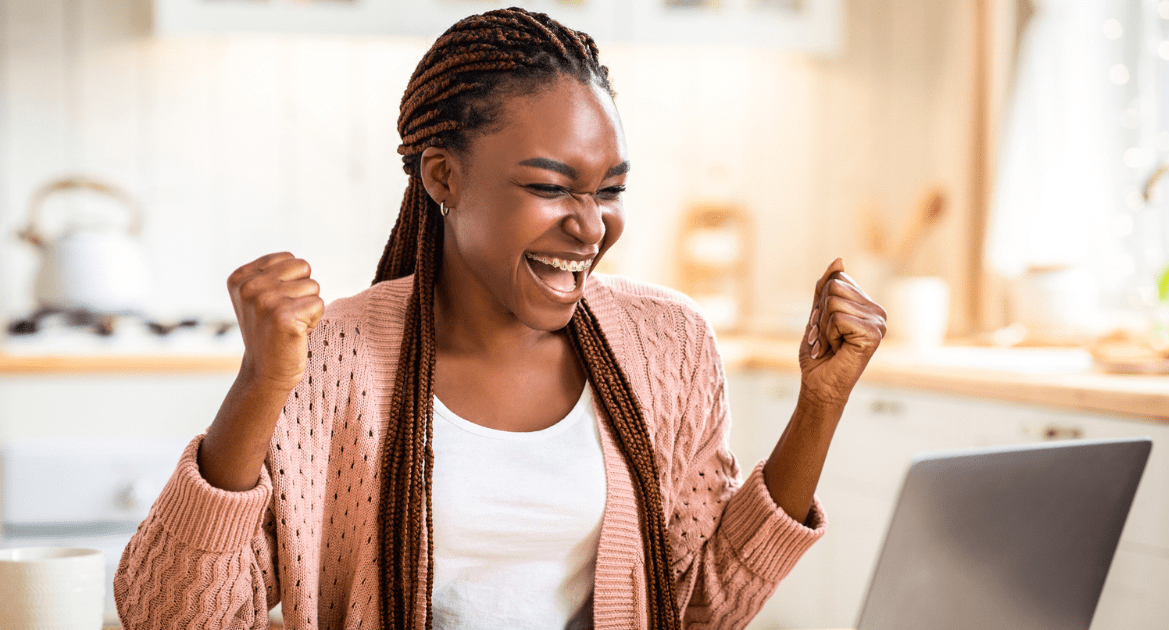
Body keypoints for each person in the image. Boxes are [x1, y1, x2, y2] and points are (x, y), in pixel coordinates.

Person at [113, 8, 886, 630]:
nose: (591, 226)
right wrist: (260, 380)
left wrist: (821, 401)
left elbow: (697, 607)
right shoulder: (334, 357)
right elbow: (168, 616)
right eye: (552, 187)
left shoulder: (667, 342)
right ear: (444, 176)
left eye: (609, 190)